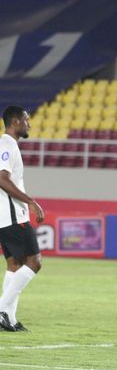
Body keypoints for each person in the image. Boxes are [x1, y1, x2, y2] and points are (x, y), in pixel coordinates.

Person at [0, 106, 45, 332]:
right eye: (26, 119)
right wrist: (30, 201)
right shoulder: (6, 145)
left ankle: (9, 318)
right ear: (16, 121)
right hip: (11, 215)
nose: (29, 123)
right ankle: (1, 310)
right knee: (34, 262)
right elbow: (2, 179)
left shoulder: (9, 145)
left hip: (6, 216)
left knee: (14, 265)